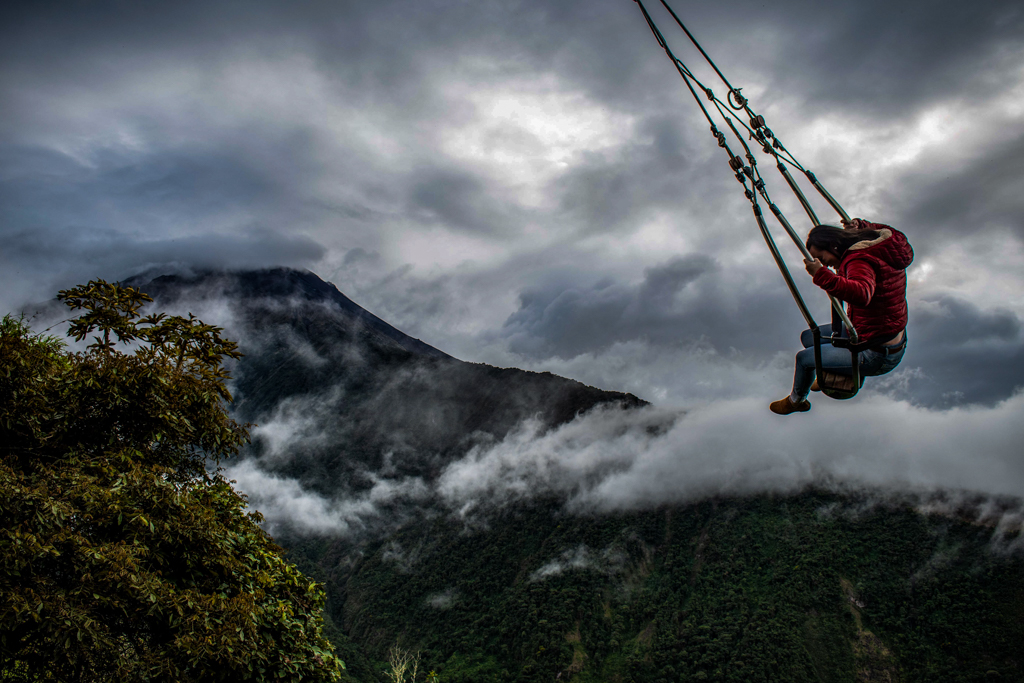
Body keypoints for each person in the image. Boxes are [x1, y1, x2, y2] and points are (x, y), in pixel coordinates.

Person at [769, 217, 914, 415]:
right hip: (878, 333)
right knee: (809, 337)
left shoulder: (858, 260)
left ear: (834, 246)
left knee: (804, 359)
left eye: (822, 258)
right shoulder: (881, 245)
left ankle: (796, 401)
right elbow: (889, 231)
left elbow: (862, 294)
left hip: (877, 353)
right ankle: (836, 365)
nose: (825, 264)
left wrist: (820, 274)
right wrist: (860, 225)